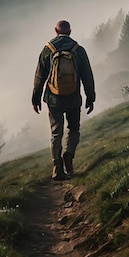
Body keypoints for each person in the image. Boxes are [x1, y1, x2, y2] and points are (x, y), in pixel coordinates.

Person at [32, 19, 96, 180]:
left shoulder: (48, 49)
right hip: (73, 98)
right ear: (70, 31)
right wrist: (90, 97)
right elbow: (87, 75)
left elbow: (40, 75)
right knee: (73, 129)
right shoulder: (78, 50)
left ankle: (57, 167)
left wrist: (36, 98)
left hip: (53, 99)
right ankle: (69, 155)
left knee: (56, 132)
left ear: (55, 30)